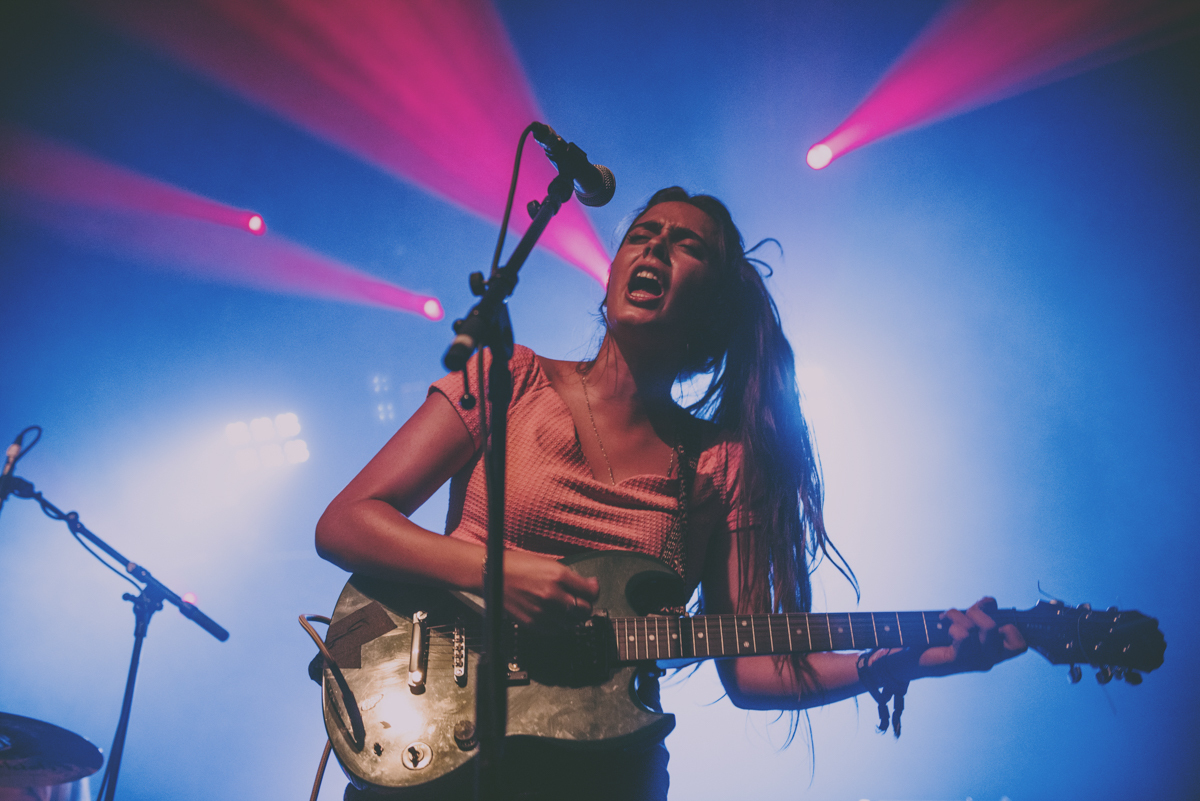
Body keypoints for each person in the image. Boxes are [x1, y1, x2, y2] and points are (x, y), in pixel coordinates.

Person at [315, 187, 1027, 800]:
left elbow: (756, 663)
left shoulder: (721, 464)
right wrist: (497, 573)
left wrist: (922, 655)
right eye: (642, 234)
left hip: (601, 770)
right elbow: (347, 521)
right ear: (612, 274)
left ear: (713, 310)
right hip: (441, 735)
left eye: (686, 246)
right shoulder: (512, 377)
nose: (654, 248)